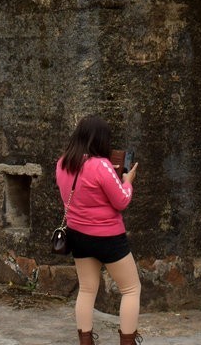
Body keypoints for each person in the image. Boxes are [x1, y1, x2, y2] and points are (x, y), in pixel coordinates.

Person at [56, 116, 141, 345]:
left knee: (86, 289)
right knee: (131, 289)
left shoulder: (63, 163)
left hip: (78, 235)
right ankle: (127, 342)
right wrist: (128, 180)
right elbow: (121, 201)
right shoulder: (101, 165)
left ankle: (85, 341)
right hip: (108, 237)